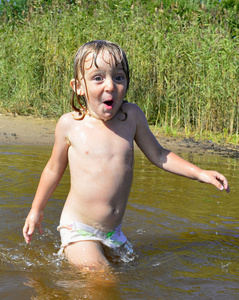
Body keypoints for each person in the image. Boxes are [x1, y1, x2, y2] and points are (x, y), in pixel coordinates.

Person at [23, 40, 230, 272]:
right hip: (78, 227)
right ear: (78, 86)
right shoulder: (70, 125)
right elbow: (53, 169)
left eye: (118, 77)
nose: (110, 85)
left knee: (135, 274)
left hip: (114, 232)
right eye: (98, 78)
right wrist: (36, 209)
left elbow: (159, 155)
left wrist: (200, 173)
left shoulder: (132, 117)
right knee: (102, 277)